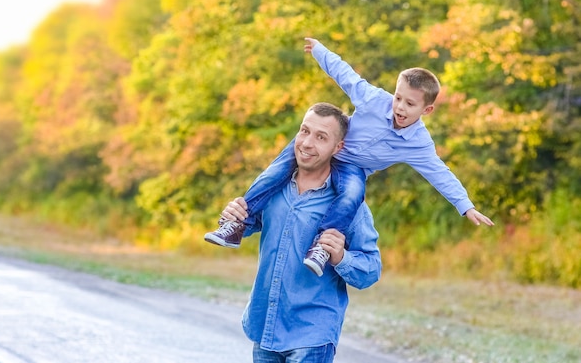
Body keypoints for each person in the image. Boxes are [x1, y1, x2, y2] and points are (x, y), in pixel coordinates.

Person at [205, 37, 494, 276]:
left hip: (351, 168)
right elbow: (345, 75)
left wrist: (465, 205)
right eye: (398, 98)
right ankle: (237, 223)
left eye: (410, 104)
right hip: (328, 147)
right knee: (276, 172)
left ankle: (321, 246)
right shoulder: (373, 99)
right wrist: (320, 51)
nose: (400, 107)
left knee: (353, 192)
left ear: (426, 110)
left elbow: (439, 172)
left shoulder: (418, 143)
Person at [220, 102, 382, 363]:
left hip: (312, 334)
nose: (306, 143)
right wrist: (233, 213)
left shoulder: (349, 205)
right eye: (304, 131)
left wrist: (340, 257)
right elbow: (246, 223)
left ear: (337, 148)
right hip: (265, 326)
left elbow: (371, 270)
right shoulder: (273, 189)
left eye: (321, 137)